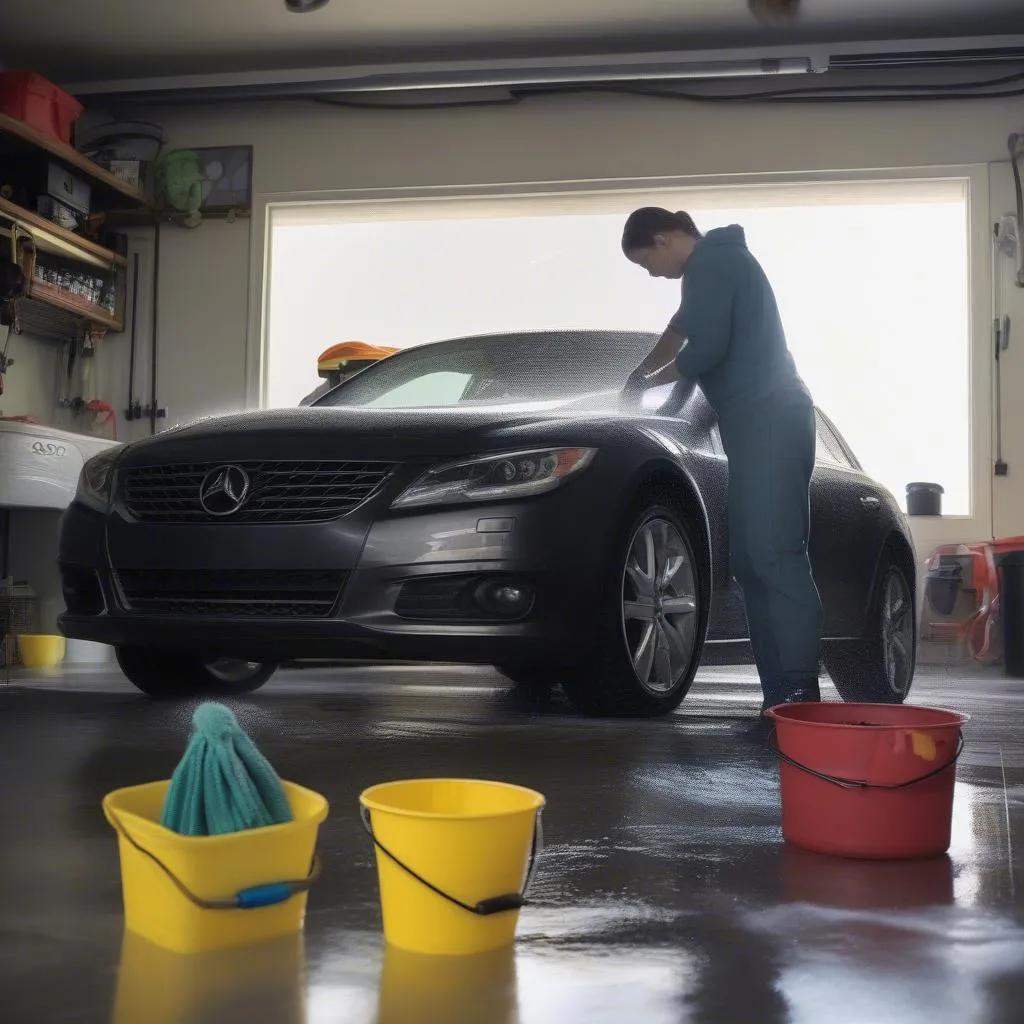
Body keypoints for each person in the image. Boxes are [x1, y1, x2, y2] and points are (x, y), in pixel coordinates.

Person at [620, 207, 823, 712]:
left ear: (664, 239)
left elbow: (705, 350)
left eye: (646, 263)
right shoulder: (712, 268)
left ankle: (798, 690)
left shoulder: (714, 263)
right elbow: (678, 333)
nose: (650, 274)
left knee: (774, 555)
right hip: (754, 426)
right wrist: (635, 380)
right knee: (753, 560)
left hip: (771, 418)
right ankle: (779, 692)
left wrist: (647, 385)